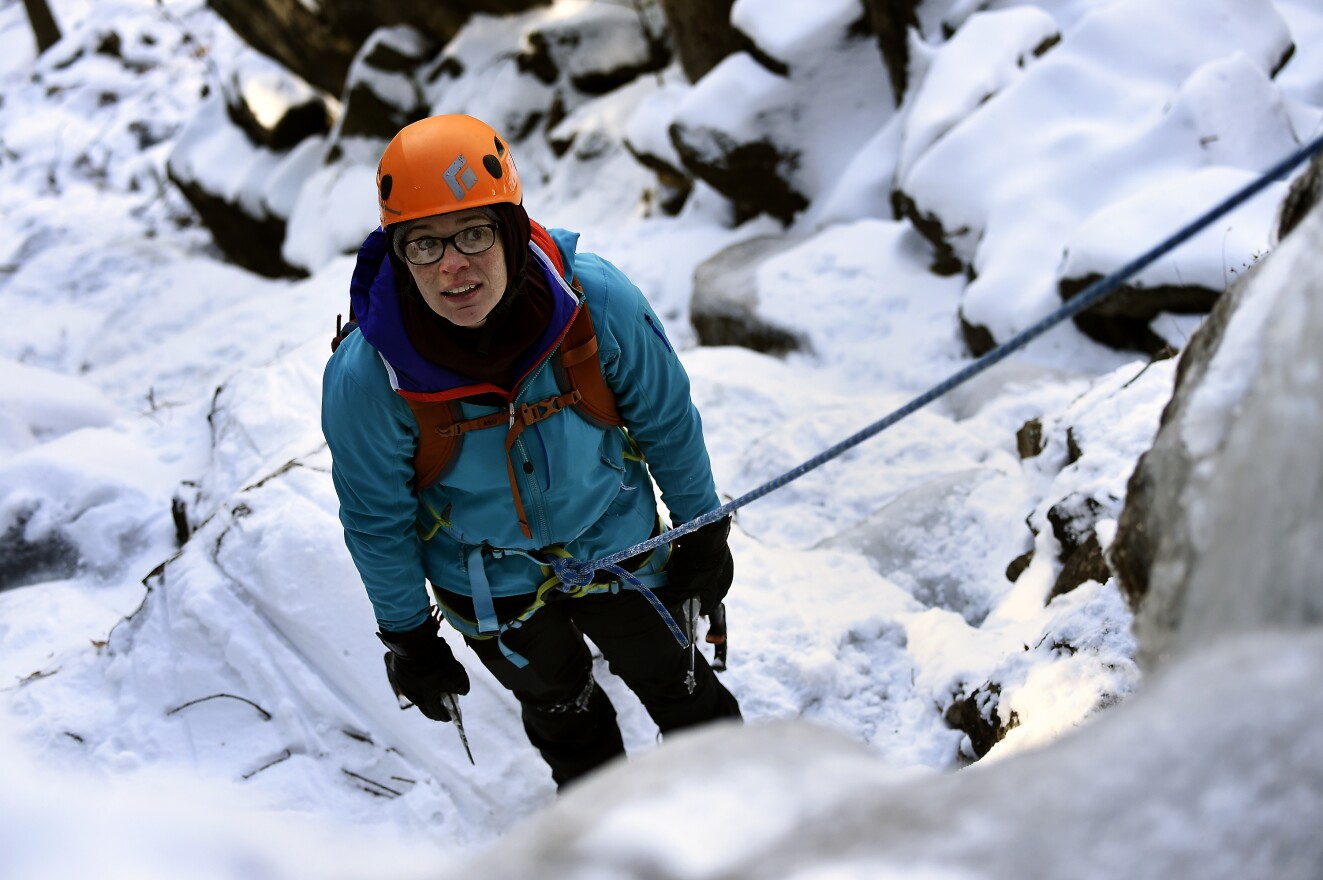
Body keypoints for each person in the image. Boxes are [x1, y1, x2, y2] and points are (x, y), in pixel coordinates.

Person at [321, 114, 741, 789]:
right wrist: (408, 635)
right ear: (397, 254)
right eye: (423, 244)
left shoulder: (593, 302)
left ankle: (753, 813)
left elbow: (665, 417)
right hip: (485, 580)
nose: (452, 264)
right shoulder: (369, 379)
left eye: (473, 233)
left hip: (614, 541)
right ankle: (603, 838)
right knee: (560, 710)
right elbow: (378, 518)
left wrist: (701, 526)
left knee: (680, 684)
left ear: (511, 230)